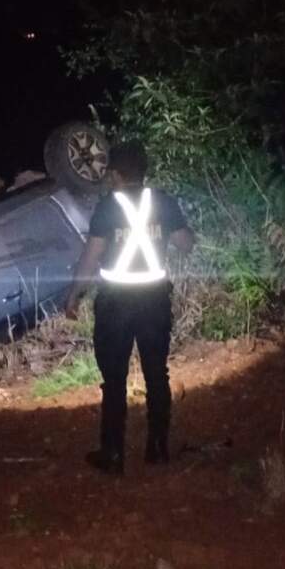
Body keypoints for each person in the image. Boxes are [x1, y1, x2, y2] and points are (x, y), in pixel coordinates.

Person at [66, 141, 194, 475]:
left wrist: (74, 296)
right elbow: (185, 244)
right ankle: (157, 448)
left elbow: (91, 258)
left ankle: (113, 454)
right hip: (154, 299)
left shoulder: (108, 207)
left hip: (116, 304)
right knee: (156, 374)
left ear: (116, 174)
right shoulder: (162, 201)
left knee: (114, 380)